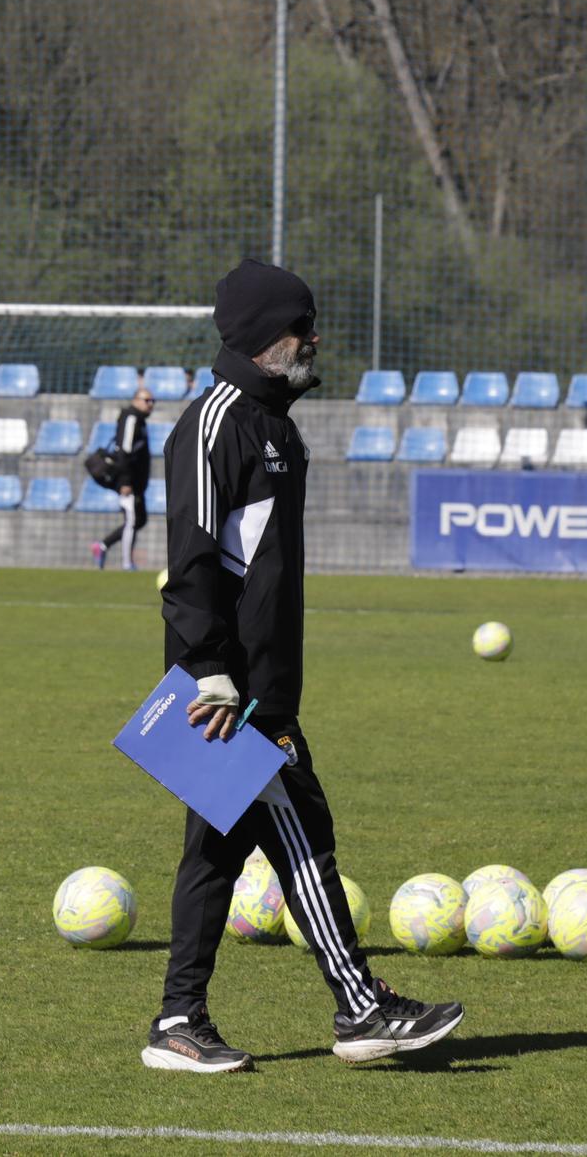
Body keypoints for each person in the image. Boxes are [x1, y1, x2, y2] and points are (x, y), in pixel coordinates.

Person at [145, 256, 462, 1073]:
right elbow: (193, 560)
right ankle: (359, 1007)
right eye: (298, 327)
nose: (312, 337)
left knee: (216, 853)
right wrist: (210, 670)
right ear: (259, 339)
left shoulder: (273, 421)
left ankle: (179, 1020)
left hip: (260, 684)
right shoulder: (215, 423)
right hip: (229, 693)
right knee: (301, 831)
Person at [91, 387, 155, 571]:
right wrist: (125, 481)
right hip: (129, 482)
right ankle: (127, 564)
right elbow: (124, 451)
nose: (150, 404)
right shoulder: (131, 418)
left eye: (152, 401)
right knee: (132, 521)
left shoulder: (141, 421)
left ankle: (102, 545)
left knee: (139, 520)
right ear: (135, 400)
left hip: (138, 483)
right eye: (146, 400)